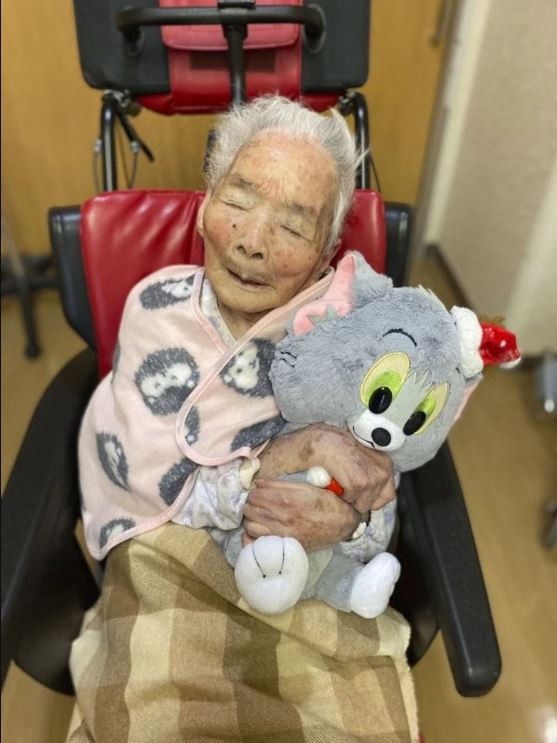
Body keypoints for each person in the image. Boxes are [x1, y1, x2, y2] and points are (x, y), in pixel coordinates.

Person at [68, 96, 418, 742]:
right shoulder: (157, 310)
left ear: (324, 254)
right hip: (168, 566)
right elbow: (150, 490)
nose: (253, 242)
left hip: (312, 588)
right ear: (205, 206)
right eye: (238, 199)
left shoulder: (355, 343)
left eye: (292, 225)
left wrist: (353, 516)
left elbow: (378, 498)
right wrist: (269, 470)